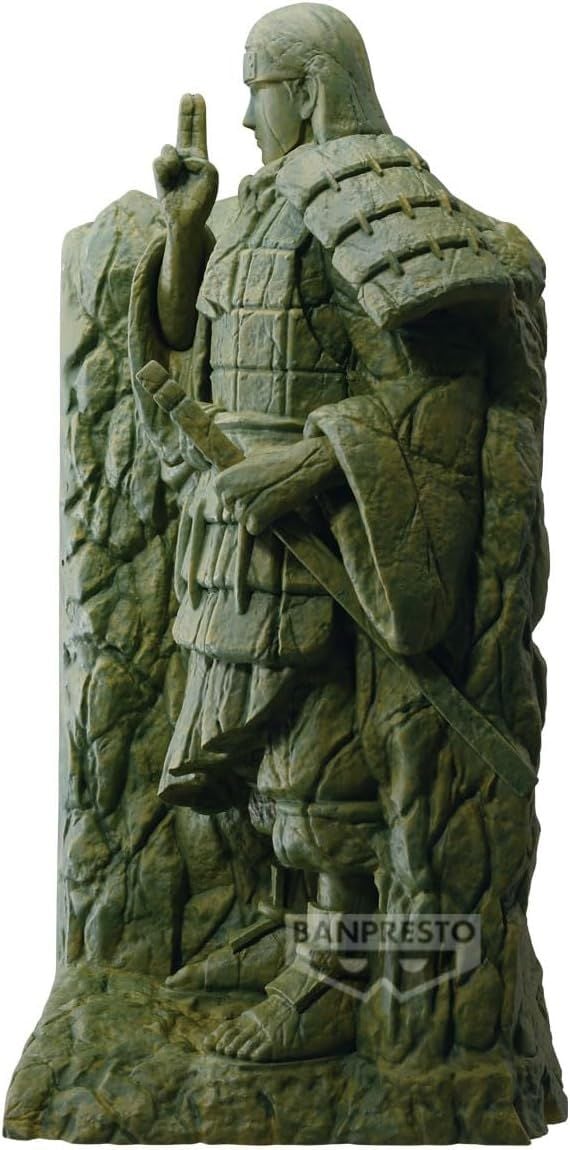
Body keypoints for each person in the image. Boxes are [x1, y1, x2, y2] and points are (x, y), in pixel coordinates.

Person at [129, 2, 551, 1067]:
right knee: (250, 759)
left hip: (329, 530)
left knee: (318, 764)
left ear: (309, 89)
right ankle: (294, 935)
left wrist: (316, 463)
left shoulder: (371, 201)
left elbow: (433, 394)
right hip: (236, 539)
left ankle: (336, 974)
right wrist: (186, 234)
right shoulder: (258, 207)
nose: (246, 116)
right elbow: (190, 340)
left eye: (258, 90)